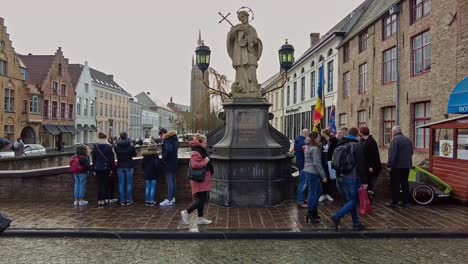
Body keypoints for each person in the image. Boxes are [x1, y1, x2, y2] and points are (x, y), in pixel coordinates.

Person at [330, 127, 367, 230]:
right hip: (353, 178)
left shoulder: (341, 144)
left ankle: (356, 223)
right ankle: (337, 216)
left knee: (350, 201)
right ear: (357, 135)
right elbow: (361, 164)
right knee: (355, 200)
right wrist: (364, 180)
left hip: (341, 177)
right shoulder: (357, 146)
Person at [227, 10, 263, 95]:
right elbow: (231, 38)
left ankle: (254, 90)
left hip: (250, 54)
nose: (242, 19)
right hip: (240, 56)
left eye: (243, 16)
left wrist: (251, 40)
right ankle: (242, 89)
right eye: (240, 18)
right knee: (241, 74)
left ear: (247, 16)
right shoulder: (237, 28)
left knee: (252, 74)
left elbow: (256, 41)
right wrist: (235, 30)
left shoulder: (252, 29)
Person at [181, 134, 213, 225]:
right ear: (200, 142)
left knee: (201, 199)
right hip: (199, 179)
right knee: (201, 199)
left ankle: (200, 218)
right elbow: (194, 165)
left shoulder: (200, 150)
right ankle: (186, 212)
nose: (206, 144)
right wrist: (205, 161)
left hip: (201, 179)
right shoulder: (196, 152)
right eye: (205, 143)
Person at [386, 126, 414, 208]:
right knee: (405, 183)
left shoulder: (395, 140)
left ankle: (394, 201)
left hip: (397, 166)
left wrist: (389, 164)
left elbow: (392, 154)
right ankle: (405, 201)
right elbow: (411, 152)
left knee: (395, 184)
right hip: (407, 166)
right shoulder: (408, 140)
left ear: (394, 132)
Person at [303, 131, 327, 223]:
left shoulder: (307, 147)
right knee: (313, 193)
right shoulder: (315, 148)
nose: (319, 139)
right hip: (313, 172)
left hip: (309, 171)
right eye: (318, 137)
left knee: (317, 191)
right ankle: (311, 213)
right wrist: (323, 176)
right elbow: (317, 163)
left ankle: (313, 212)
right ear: (314, 138)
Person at [92, 132, 115, 207]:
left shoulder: (95, 146)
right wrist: (112, 168)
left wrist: (94, 169)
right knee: (105, 184)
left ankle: (99, 200)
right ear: (105, 138)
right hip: (106, 167)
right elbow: (111, 159)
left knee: (99, 184)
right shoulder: (109, 146)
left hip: (98, 167)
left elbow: (93, 159)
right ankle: (104, 200)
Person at [114, 132, 137, 206]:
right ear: (126, 137)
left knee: (121, 184)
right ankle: (129, 199)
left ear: (120, 137)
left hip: (120, 166)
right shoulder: (130, 146)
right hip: (129, 166)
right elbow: (134, 154)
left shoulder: (116, 147)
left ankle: (122, 200)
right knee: (129, 184)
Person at [359, 127, 382, 199]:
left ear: (362, 133)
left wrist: (371, 166)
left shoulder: (371, 141)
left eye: (360, 132)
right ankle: (365, 196)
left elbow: (374, 155)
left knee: (369, 181)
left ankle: (368, 198)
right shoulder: (362, 140)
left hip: (370, 166)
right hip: (364, 165)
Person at [159, 128, 179, 206]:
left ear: (163, 134)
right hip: (174, 163)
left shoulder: (168, 140)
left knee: (169, 181)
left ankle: (169, 199)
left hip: (168, 164)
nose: (161, 138)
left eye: (161, 136)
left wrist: (163, 157)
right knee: (173, 180)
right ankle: (173, 197)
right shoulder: (174, 139)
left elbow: (169, 150)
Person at [319, 129, 338, 202]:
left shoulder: (332, 139)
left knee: (329, 177)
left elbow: (334, 146)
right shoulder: (321, 140)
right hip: (323, 160)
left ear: (325, 133)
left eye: (322, 133)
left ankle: (328, 193)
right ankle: (323, 194)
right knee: (323, 176)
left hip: (330, 161)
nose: (321, 134)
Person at [294, 129, 309, 208]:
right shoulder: (303, 143)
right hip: (304, 164)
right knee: (303, 183)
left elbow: (295, 152)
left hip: (300, 163)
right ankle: (300, 201)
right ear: (306, 134)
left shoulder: (297, 140)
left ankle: (302, 199)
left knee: (303, 182)